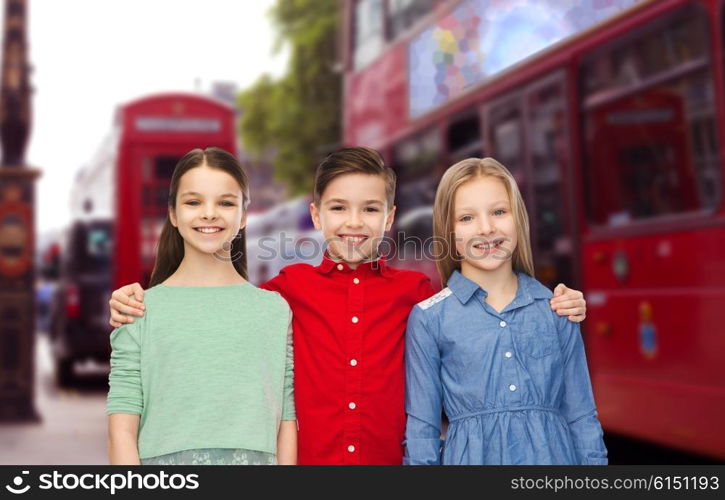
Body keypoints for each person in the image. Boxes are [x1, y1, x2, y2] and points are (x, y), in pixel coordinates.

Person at [107, 147, 587, 465]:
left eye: (370, 209)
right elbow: (216, 310)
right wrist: (135, 302)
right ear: (316, 214)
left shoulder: (419, 297)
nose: (353, 223)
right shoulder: (283, 293)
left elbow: (485, 313)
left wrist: (557, 302)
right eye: (337, 208)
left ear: (390, 217)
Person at [403, 157, 607, 465]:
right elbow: (422, 431)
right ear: (450, 233)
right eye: (467, 218)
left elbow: (582, 416)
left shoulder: (557, 308)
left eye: (499, 212)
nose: (486, 228)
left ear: (518, 219)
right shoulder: (430, 319)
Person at [106, 147, 297, 465]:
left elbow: (286, 424)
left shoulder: (274, 311)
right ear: (173, 213)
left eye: (225, 202)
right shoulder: (139, 310)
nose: (209, 213)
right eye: (193, 202)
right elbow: (121, 432)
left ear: (244, 215)